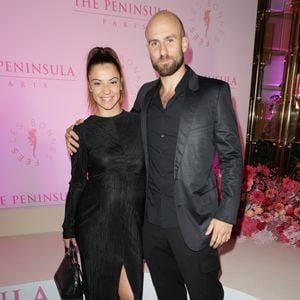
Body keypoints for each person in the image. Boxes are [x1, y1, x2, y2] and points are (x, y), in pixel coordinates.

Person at [66, 11, 243, 300]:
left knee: (206, 295)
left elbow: (232, 158)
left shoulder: (214, 93)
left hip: (196, 224)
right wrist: (75, 131)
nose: (162, 50)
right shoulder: (145, 96)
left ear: (184, 43)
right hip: (150, 228)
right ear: (147, 48)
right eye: (154, 43)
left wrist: (226, 215)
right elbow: (117, 131)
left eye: (169, 40)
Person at [62, 47, 145, 300]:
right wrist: (68, 228)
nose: (106, 91)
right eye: (97, 83)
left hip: (133, 226)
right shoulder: (82, 132)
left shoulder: (142, 123)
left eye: (112, 81)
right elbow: (77, 184)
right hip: (95, 228)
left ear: (122, 84)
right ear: (89, 86)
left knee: (131, 295)